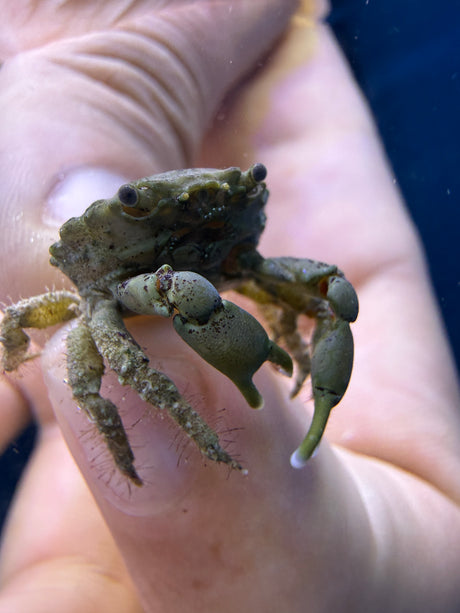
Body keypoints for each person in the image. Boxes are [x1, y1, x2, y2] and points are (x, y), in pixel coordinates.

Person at [1, 2, 460, 611]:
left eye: (237, 195)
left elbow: (334, 296)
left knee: (333, 293)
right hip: (117, 293)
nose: (199, 217)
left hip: (232, 264)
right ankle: (184, 433)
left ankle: (309, 396)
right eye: (144, 206)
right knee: (78, 366)